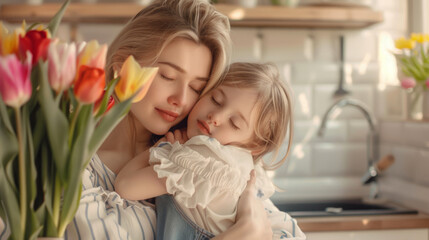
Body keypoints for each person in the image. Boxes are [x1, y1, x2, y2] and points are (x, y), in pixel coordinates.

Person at [115, 62, 306, 239]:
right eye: (216, 99)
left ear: (254, 146)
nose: (216, 117)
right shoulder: (241, 168)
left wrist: (161, 147)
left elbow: (125, 186)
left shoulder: (203, 160)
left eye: (234, 123)